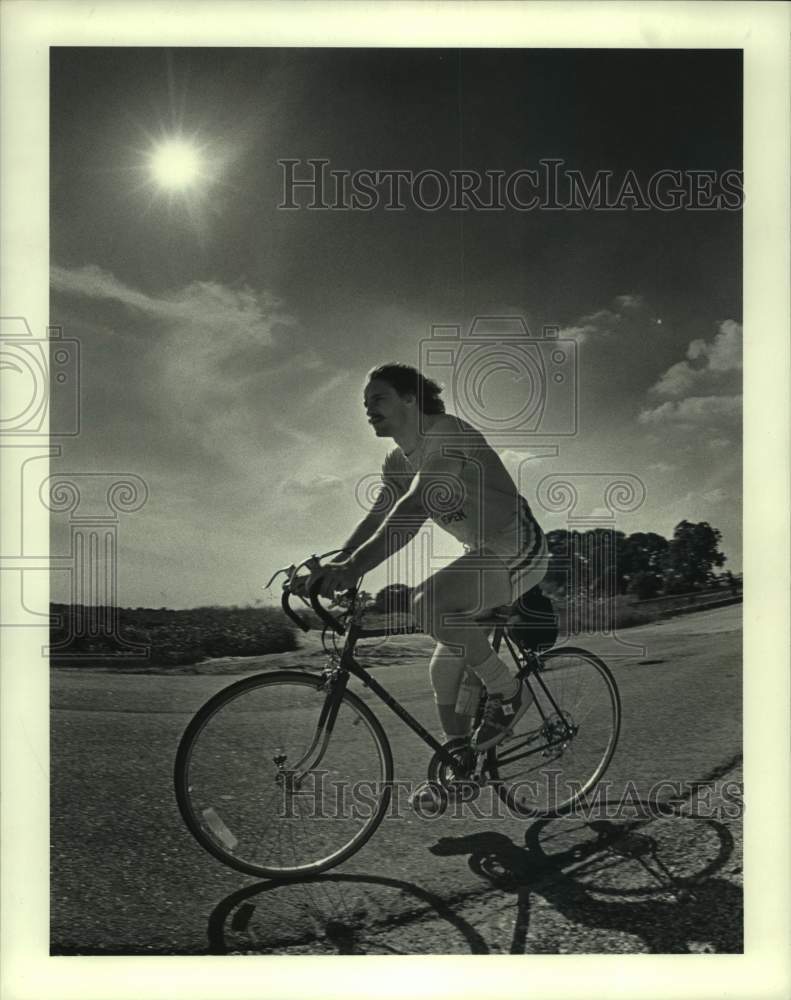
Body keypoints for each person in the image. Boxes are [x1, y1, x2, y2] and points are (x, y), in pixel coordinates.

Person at [307, 362, 549, 756]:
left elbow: (417, 505)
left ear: (410, 398)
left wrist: (353, 569)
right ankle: (459, 762)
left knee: (427, 603)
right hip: (481, 555)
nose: (368, 409)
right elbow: (379, 515)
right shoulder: (397, 462)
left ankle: (509, 693)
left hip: (517, 544)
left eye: (378, 398)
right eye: (364, 403)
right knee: (442, 669)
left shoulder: (447, 433)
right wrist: (335, 563)